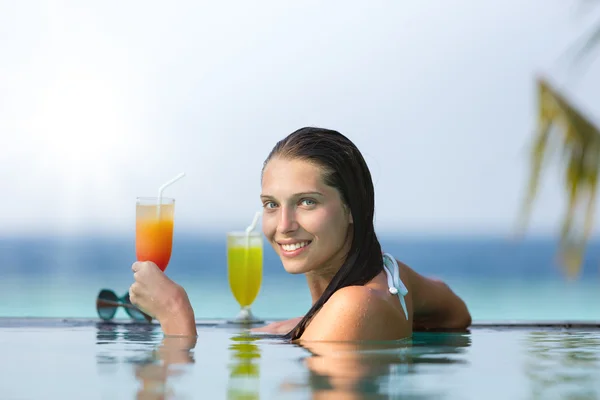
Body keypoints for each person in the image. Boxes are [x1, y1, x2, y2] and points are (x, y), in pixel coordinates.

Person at [128, 127, 472, 341]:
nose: (284, 225)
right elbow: (455, 313)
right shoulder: (390, 276)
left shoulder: (351, 306)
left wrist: (175, 314)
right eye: (271, 205)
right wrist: (316, 323)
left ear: (353, 208)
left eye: (307, 202)